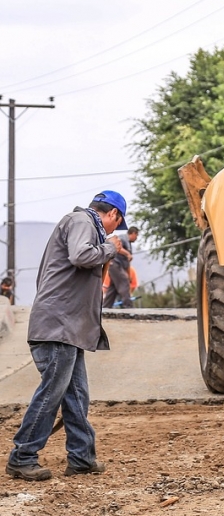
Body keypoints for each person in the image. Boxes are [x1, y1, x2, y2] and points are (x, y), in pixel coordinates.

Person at [6, 191, 128, 481]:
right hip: (57, 328)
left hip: (67, 329)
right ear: (113, 215)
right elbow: (81, 255)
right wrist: (110, 248)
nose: (114, 232)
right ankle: (22, 457)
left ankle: (82, 457)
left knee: (76, 396)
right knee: (51, 394)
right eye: (116, 226)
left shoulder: (80, 224)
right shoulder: (81, 219)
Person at [103, 226, 138, 308]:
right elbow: (118, 248)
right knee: (124, 281)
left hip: (120, 267)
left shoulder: (129, 244)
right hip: (114, 264)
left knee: (113, 288)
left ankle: (106, 308)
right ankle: (128, 307)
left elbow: (127, 263)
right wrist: (127, 254)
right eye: (136, 235)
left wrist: (129, 275)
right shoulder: (123, 238)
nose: (136, 238)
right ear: (133, 233)